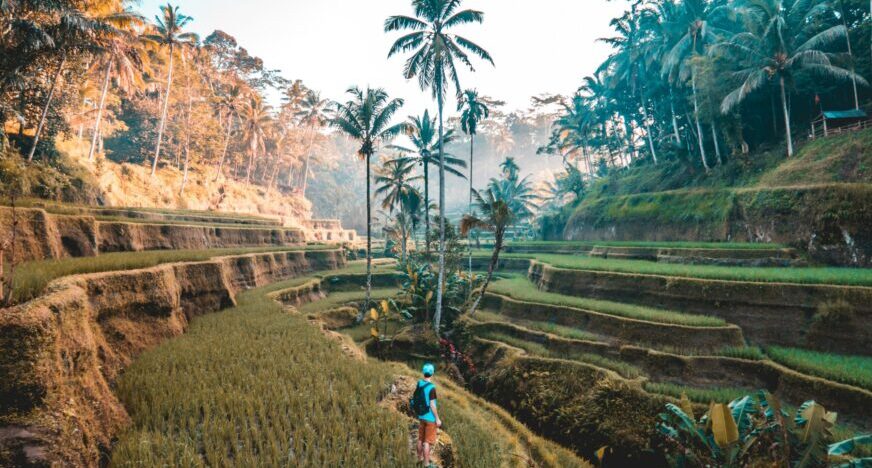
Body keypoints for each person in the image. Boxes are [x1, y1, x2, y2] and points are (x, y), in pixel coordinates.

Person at [412, 363, 441, 467]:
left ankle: (419, 459)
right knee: (427, 442)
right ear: (432, 373)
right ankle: (426, 464)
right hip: (430, 418)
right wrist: (437, 419)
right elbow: (433, 405)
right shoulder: (432, 388)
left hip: (421, 416)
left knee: (420, 439)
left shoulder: (419, 383)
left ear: (423, 372)